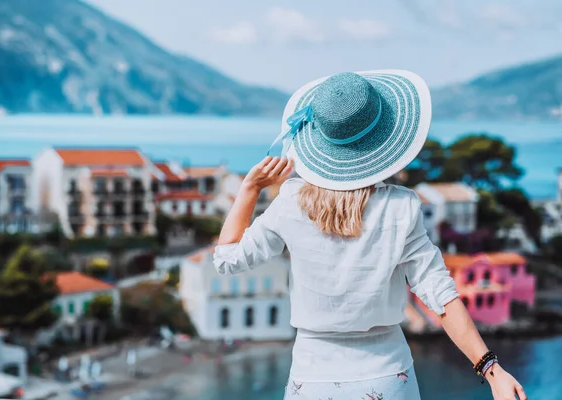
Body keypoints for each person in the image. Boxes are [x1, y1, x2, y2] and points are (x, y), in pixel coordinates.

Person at [213, 71, 527, 400]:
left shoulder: (290, 202)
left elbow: (226, 259)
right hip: (388, 377)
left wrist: (250, 189)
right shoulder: (401, 207)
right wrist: (492, 370)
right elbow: (439, 296)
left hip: (312, 380)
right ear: (384, 140)